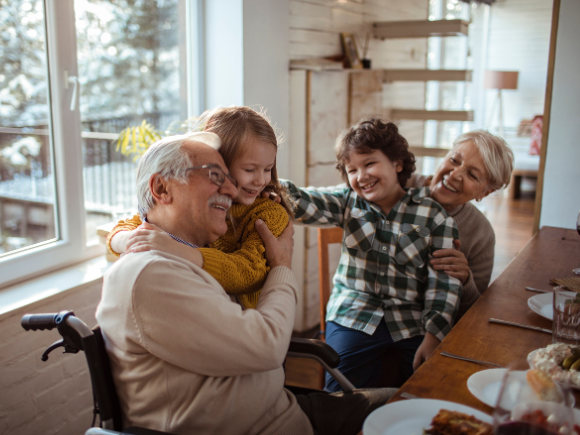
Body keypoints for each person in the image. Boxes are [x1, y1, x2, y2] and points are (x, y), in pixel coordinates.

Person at [96, 132, 394, 435]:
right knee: (407, 410)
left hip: (280, 408)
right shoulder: (151, 275)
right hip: (267, 425)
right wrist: (281, 265)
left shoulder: (181, 255)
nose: (231, 188)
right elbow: (266, 347)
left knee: (404, 401)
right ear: (162, 188)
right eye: (215, 175)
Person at [281, 118, 462, 392]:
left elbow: (443, 284)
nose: (361, 176)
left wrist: (434, 334)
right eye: (351, 169)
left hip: (411, 320)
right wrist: (262, 176)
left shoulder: (433, 215)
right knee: (341, 396)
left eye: (369, 164)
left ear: (397, 163)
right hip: (353, 314)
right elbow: (299, 200)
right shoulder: (346, 202)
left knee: (424, 391)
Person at [107, 106, 294, 309]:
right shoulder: (194, 205)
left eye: (267, 169)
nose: (260, 180)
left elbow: (249, 270)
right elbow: (127, 227)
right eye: (249, 169)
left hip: (243, 320)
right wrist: (133, 239)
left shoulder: (268, 214)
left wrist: (179, 250)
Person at [407, 129, 514, 318]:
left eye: (472, 175)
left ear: (485, 193)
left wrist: (465, 279)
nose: (455, 174)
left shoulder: (481, 233)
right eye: (454, 161)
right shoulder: (398, 184)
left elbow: (474, 312)